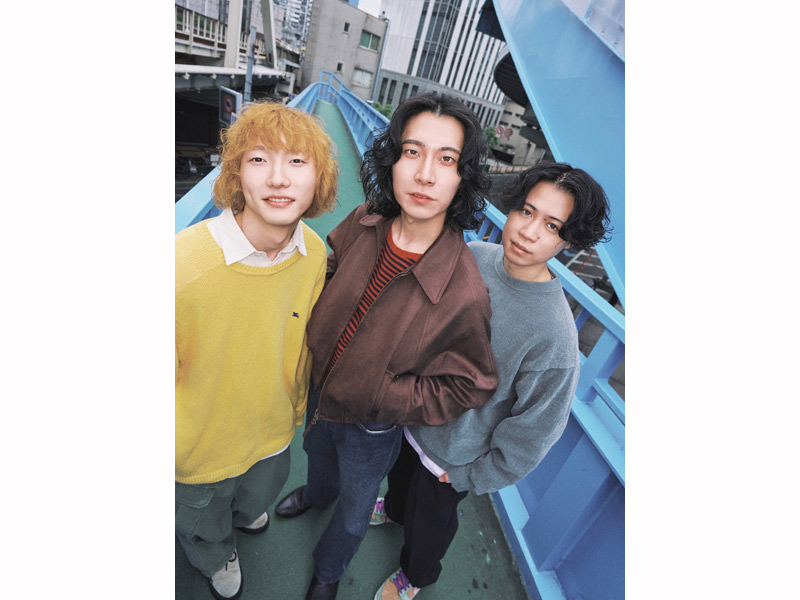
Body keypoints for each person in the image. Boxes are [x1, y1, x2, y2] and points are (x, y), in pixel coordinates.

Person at [273, 92, 499, 600]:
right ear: (393, 159)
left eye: (447, 159)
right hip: (321, 385)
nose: (425, 175)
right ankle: (315, 493)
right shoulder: (367, 218)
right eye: (412, 152)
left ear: (463, 178)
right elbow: (330, 263)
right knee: (316, 452)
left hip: (373, 423)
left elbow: (469, 384)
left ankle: (328, 570)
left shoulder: (463, 290)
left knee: (356, 511)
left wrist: (386, 396)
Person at [371, 161, 612, 600]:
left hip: (453, 459)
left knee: (429, 530)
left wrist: (470, 476)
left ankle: (415, 576)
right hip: (413, 419)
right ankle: (394, 510)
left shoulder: (555, 337)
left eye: (552, 225)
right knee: (400, 482)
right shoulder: (476, 256)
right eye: (526, 211)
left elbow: (535, 432)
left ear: (568, 240)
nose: (528, 231)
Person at [175, 101, 338, 600]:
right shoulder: (182, 265)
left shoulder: (314, 254)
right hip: (199, 446)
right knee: (204, 522)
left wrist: (295, 408)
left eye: (297, 161)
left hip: (271, 429)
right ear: (236, 173)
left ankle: (241, 516)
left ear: (318, 180)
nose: (278, 178)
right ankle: (215, 553)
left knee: (256, 496)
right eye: (259, 159)